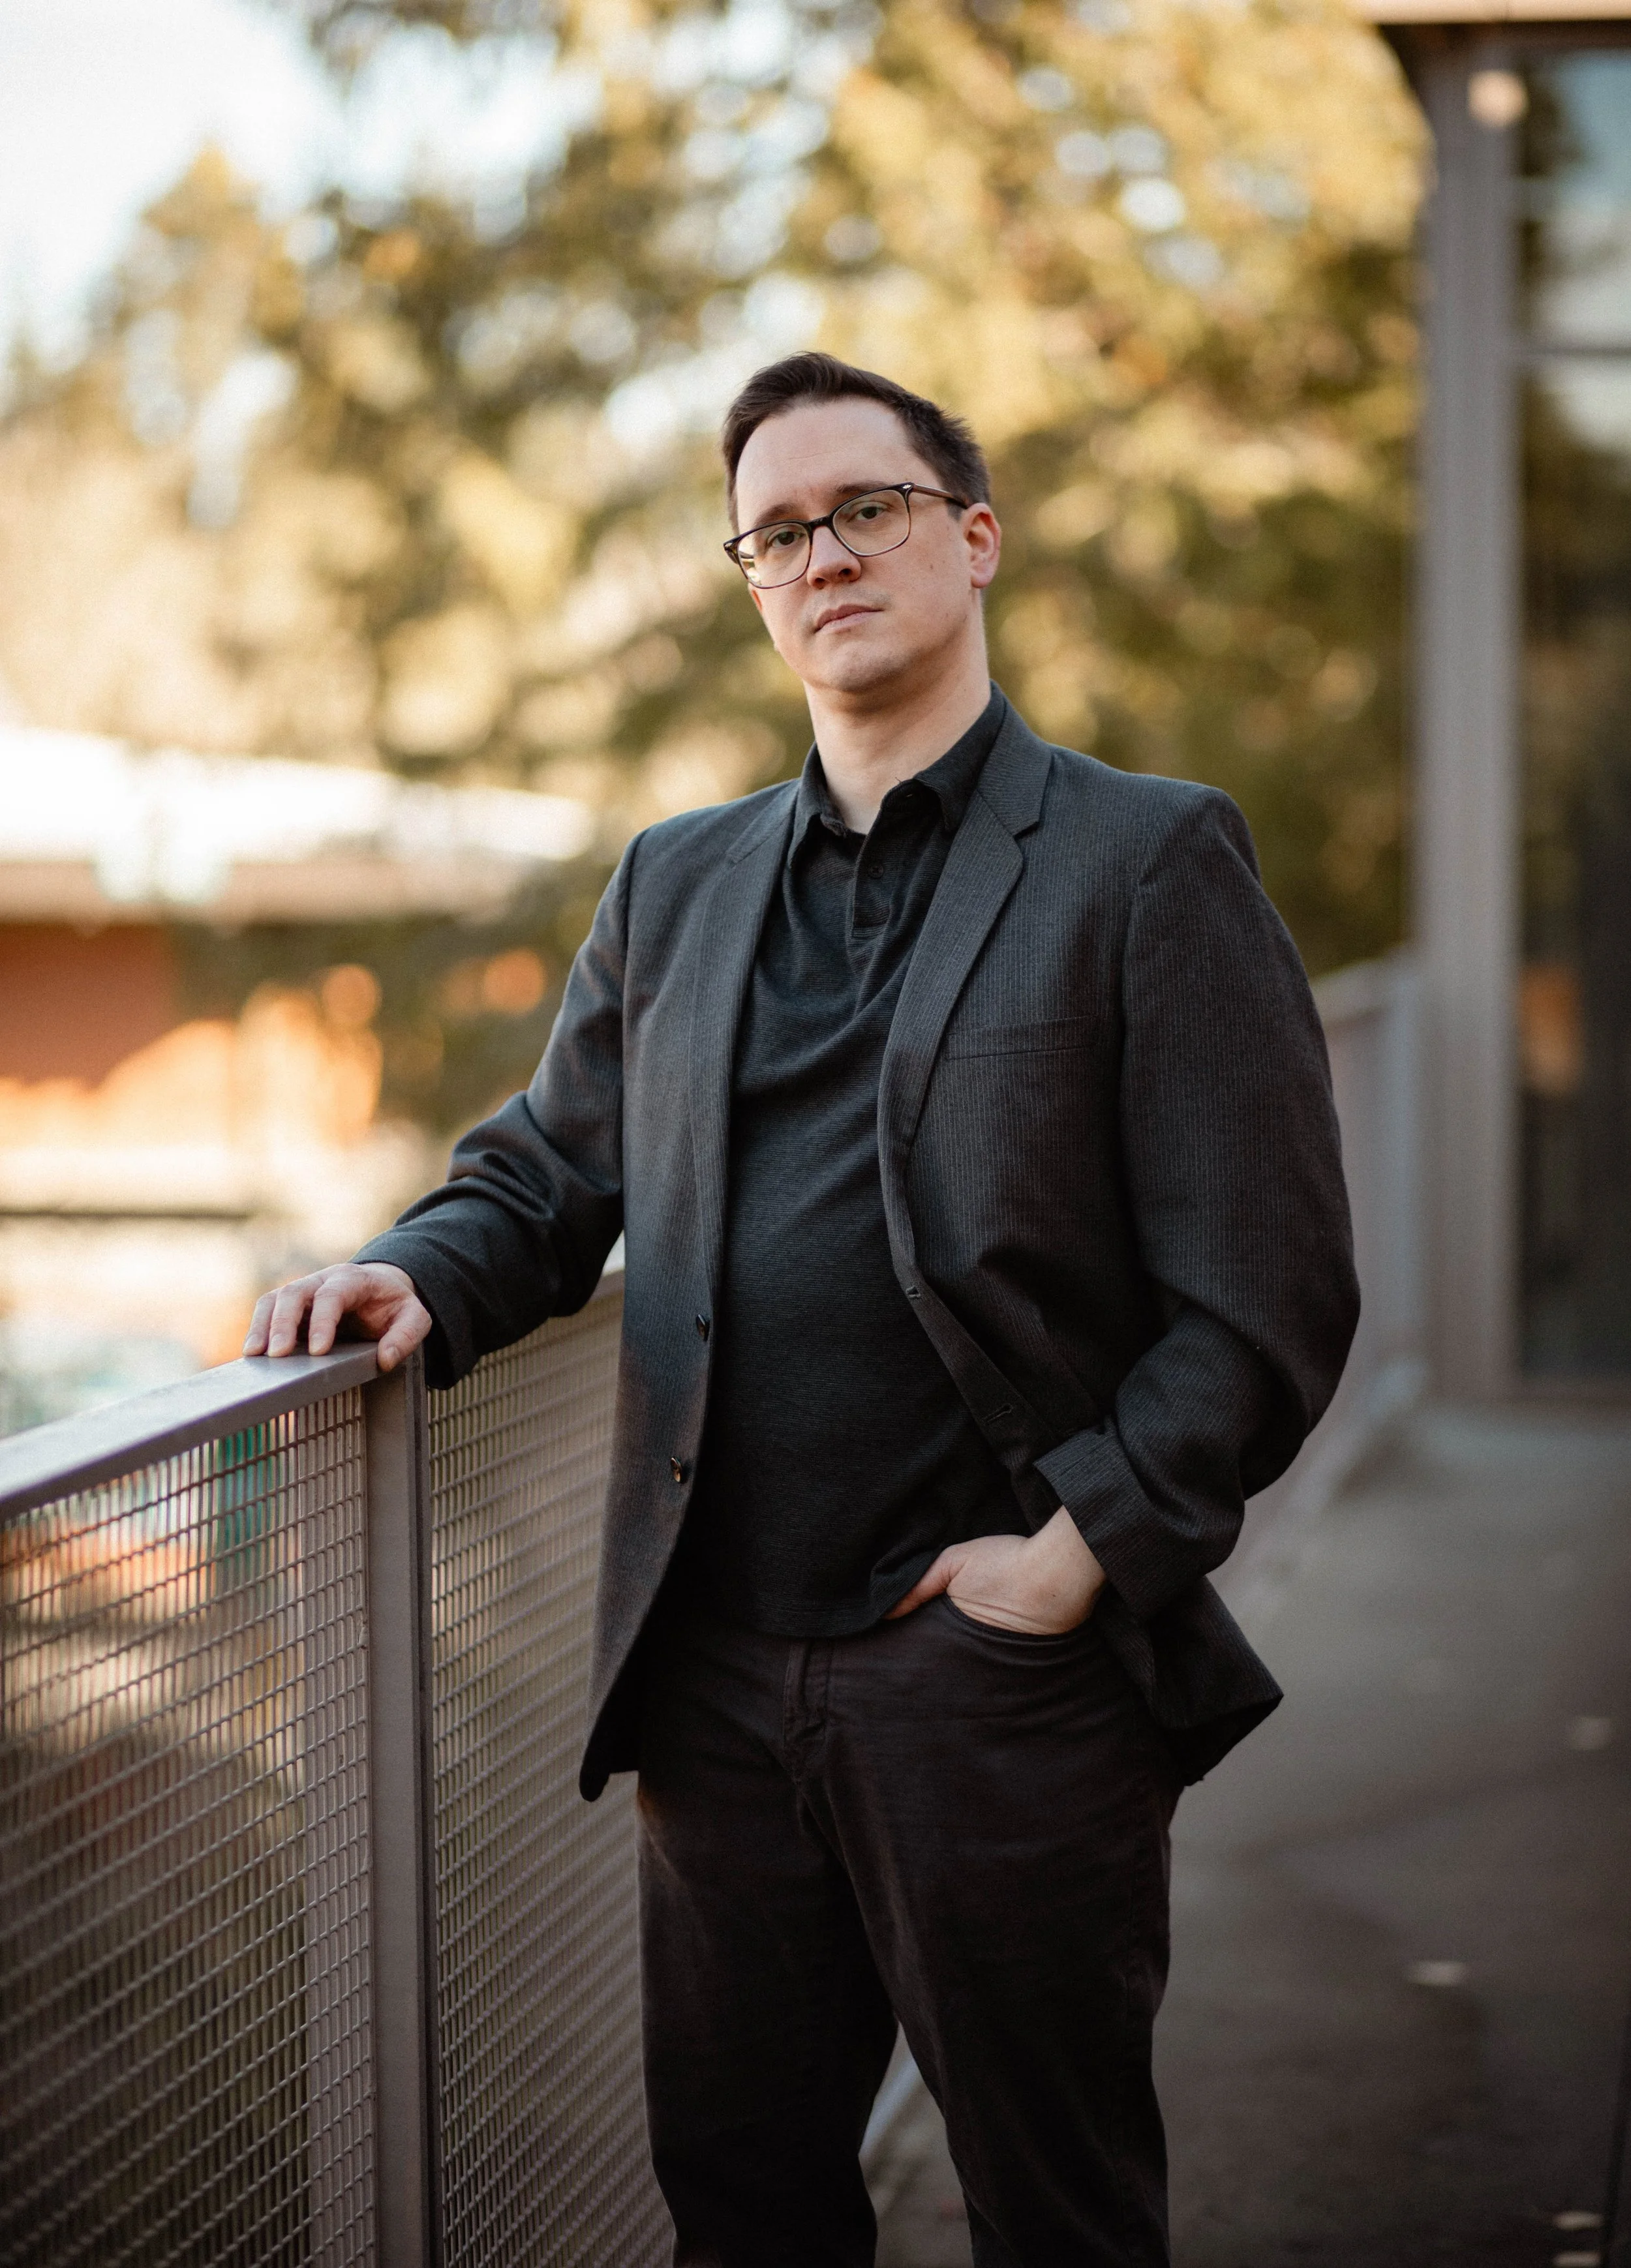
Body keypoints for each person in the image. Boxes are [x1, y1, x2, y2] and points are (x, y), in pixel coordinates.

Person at [247, 351, 1358, 2267]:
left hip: (994, 1672)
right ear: (752, 582)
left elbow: (1261, 1288)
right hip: (719, 1680)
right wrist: (409, 1270)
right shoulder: (674, 884)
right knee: (744, 2204)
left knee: (1060, 2207)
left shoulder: (1143, 856)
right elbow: (544, 1172)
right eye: (778, 530)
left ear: (973, 538)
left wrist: (1075, 1555)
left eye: (869, 508)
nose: (823, 553)